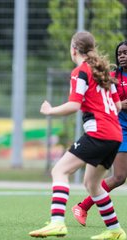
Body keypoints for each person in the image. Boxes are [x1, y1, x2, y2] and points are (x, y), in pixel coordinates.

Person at [29, 31, 126, 239]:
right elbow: (118, 106)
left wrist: (50, 110)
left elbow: (74, 105)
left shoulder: (80, 71)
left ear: (74, 49)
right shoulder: (104, 73)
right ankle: (115, 230)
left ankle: (57, 222)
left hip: (99, 133)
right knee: (92, 183)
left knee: (60, 171)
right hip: (115, 135)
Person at [72, 40, 127, 228]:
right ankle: (83, 206)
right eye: (119, 53)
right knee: (119, 177)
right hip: (121, 129)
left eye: (125, 52)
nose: (122, 56)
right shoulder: (111, 77)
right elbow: (109, 102)